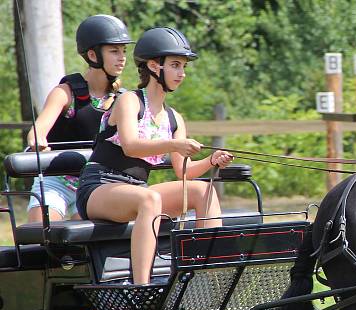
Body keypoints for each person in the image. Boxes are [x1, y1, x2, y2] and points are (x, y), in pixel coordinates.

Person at [75, 27, 233, 284]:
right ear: (153, 66)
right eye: (175, 65)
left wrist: (211, 160)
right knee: (148, 199)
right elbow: (130, 146)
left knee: (204, 191)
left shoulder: (174, 119)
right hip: (100, 187)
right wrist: (174, 144)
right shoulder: (130, 101)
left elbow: (184, 173)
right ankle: (142, 286)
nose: (181, 73)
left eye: (183, 66)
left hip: (137, 190)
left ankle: (209, 278)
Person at [26, 14, 133, 222]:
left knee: (86, 248)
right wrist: (37, 141)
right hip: (56, 180)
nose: (122, 57)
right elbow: (37, 131)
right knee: (43, 236)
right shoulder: (66, 92)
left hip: (97, 184)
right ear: (93, 55)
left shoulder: (123, 99)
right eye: (114, 51)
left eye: (124, 51)